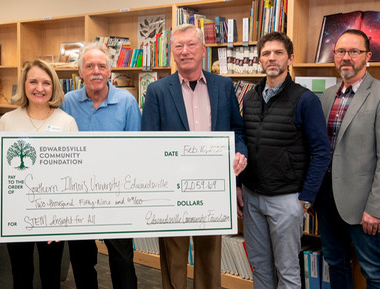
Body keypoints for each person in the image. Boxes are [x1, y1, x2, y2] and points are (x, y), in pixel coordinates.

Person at [141, 24, 248, 289]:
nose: (185, 51)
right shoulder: (157, 90)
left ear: (203, 49)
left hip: (213, 186)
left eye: (191, 45)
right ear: (171, 53)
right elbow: (149, 143)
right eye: (178, 46)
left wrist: (240, 154)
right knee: (174, 256)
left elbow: (237, 130)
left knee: (209, 255)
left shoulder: (224, 86)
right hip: (171, 188)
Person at [237, 32, 331, 289]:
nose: (272, 58)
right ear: (259, 60)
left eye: (278, 53)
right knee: (259, 266)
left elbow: (322, 152)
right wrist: (239, 185)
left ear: (290, 58)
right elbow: (244, 143)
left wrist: (306, 198)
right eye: (266, 53)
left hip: (287, 199)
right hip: (252, 198)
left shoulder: (305, 99)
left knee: (287, 270)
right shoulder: (251, 96)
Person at [316, 29, 380, 288]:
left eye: (354, 51)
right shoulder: (328, 95)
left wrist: (376, 209)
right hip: (327, 198)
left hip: (364, 204)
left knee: (374, 271)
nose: (346, 57)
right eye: (341, 51)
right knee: (335, 262)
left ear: (368, 56)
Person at [0, 59, 77, 289]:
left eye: (46, 83)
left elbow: (74, 173)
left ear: (54, 87)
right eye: (33, 81)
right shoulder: (7, 120)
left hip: (52, 213)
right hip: (18, 210)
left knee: (51, 274)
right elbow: (0, 171)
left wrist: (63, 220)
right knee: (21, 274)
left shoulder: (67, 122)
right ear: (24, 85)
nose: (40, 88)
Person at [61, 42, 140, 289]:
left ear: (109, 72)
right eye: (90, 66)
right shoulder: (67, 102)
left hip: (116, 195)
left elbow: (136, 150)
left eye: (101, 66)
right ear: (80, 72)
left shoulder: (127, 102)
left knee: (123, 260)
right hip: (78, 195)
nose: (96, 71)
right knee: (82, 261)